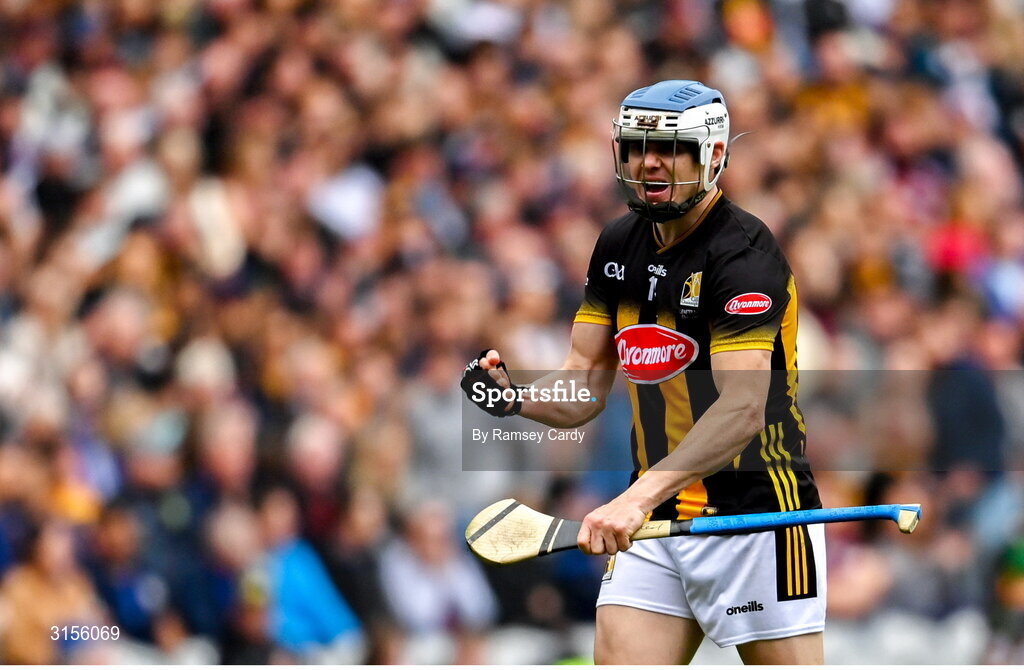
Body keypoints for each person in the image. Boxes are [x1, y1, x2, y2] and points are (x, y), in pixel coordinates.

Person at [462, 80, 824, 664]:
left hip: (757, 518)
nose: (649, 162)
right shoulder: (617, 244)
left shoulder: (744, 256)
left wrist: (633, 497)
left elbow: (742, 407)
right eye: (635, 146)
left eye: (672, 149)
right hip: (653, 522)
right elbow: (583, 384)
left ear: (714, 156)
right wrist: (515, 398)